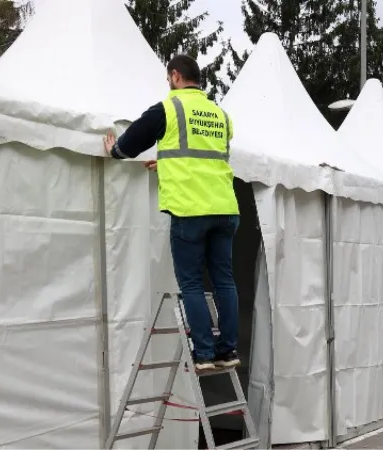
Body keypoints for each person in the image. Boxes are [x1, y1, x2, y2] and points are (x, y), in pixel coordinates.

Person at [103, 55, 240, 371]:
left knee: (191, 283)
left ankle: (204, 354)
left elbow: (130, 144)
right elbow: (202, 156)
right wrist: (166, 163)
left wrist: (114, 150)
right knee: (224, 281)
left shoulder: (169, 109)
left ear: (175, 76)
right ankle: (227, 351)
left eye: (168, 79)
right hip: (225, 208)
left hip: (190, 210)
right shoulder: (221, 115)